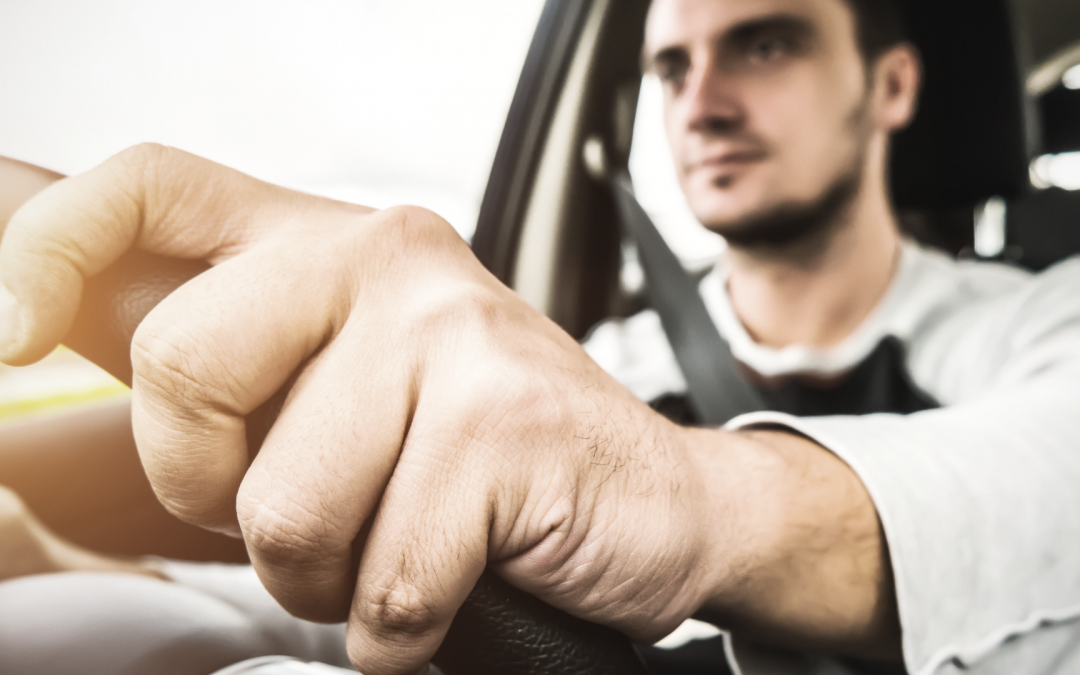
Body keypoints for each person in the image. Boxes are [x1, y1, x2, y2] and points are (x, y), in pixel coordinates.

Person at [1, 1, 1079, 675]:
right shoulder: (605, 368)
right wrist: (61, 560)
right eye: (671, 68)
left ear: (890, 86)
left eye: (765, 42)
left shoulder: (1041, 319)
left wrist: (680, 496)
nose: (701, 103)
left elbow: (1044, 489)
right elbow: (375, 610)